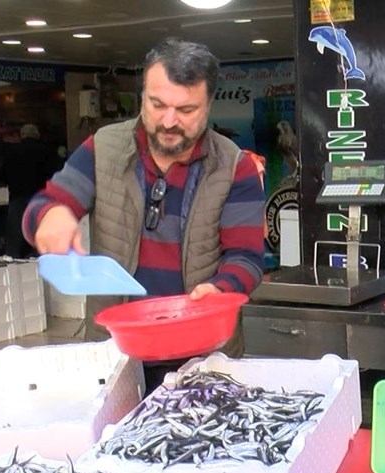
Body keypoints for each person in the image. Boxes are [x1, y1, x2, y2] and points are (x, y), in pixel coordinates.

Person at [23, 38, 265, 391]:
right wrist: (50, 216)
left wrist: (219, 290)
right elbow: (44, 205)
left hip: (204, 357)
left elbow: (246, 259)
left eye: (186, 110)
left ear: (209, 104)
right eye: (157, 104)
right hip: (116, 354)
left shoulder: (234, 166)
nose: (169, 121)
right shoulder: (103, 147)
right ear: (142, 97)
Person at [0, 124, 55, 258]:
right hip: (40, 201)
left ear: (21, 135)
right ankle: (41, 269)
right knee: (40, 238)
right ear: (37, 135)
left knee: (14, 240)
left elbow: (1, 176)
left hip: (17, 198)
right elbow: (55, 175)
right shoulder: (46, 151)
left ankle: (12, 271)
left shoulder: (12, 151)